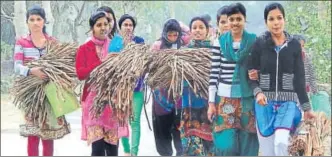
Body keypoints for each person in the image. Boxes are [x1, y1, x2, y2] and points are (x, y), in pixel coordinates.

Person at [247, 2, 315, 156]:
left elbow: (299, 78)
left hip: (288, 103)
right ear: (266, 22)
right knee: (268, 151)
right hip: (264, 104)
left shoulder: (294, 46)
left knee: (281, 142)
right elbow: (250, 73)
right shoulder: (259, 44)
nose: (276, 22)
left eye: (279, 18)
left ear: (284, 19)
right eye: (271, 19)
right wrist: (258, 92)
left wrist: (306, 107)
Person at [14, 5, 70, 156]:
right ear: (27, 22)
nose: (35, 23)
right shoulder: (22, 42)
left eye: (39, 19)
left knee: (48, 135)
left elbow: (61, 66)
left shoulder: (52, 42)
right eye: (31, 20)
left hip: (49, 94)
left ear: (44, 22)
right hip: (31, 96)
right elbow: (17, 66)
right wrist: (32, 71)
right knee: (33, 135)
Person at [207, 3, 259, 156]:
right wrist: (211, 103)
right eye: (231, 19)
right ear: (227, 21)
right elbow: (214, 73)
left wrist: (258, 73)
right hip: (225, 99)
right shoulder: (219, 43)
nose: (235, 22)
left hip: (247, 98)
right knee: (225, 142)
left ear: (244, 20)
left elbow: (260, 66)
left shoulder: (253, 41)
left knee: (248, 139)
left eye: (239, 18)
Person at [76, 11, 119, 156]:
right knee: (98, 149)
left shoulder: (116, 47)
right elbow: (81, 74)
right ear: (92, 28)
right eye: (99, 25)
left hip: (112, 102)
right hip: (93, 104)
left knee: (112, 148)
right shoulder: (84, 48)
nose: (103, 28)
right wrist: (102, 63)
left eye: (106, 24)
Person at [108, 14, 145, 156]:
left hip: (137, 88)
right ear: (120, 26)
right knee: (121, 120)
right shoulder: (115, 42)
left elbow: (144, 62)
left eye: (131, 25)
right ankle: (127, 151)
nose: (128, 27)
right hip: (120, 89)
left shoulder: (139, 41)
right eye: (125, 25)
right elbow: (110, 63)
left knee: (135, 122)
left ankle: (134, 153)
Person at [150, 18, 186, 156]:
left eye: (175, 35)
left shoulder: (182, 45)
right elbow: (151, 67)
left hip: (178, 94)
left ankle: (180, 153)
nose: (172, 38)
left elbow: (191, 33)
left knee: (178, 126)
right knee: (162, 126)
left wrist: (180, 24)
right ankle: (165, 153)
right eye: (169, 34)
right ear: (164, 33)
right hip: (161, 95)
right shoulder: (157, 46)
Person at [179, 16, 214, 156]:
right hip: (190, 102)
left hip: (209, 103)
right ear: (190, 31)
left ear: (207, 30)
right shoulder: (184, 52)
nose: (198, 30)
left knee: (212, 142)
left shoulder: (214, 50)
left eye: (201, 27)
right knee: (192, 145)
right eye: (194, 27)